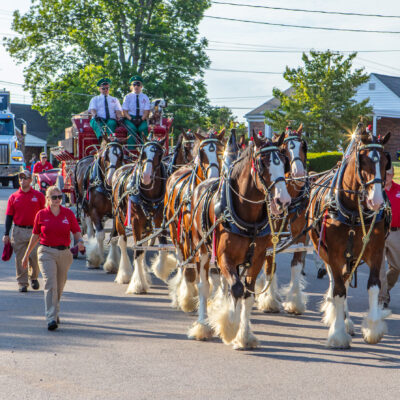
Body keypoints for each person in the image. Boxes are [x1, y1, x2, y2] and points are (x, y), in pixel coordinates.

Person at [22, 186, 85, 331]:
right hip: (46, 252)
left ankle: (55, 310)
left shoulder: (68, 213)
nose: (58, 200)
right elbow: (35, 236)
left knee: (59, 285)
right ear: (48, 199)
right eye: (54, 197)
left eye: (60, 197)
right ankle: (51, 317)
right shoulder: (41, 214)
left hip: (64, 253)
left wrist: (80, 241)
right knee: (50, 284)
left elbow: (76, 231)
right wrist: (26, 255)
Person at [2, 170, 45, 292]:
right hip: (19, 231)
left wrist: (44, 231)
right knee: (21, 257)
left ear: (31, 180)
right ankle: (22, 282)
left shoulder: (39, 196)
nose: (22, 181)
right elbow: (9, 216)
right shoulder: (14, 197)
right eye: (20, 178)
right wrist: (6, 234)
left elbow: (44, 215)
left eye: (25, 178)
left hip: (35, 232)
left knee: (35, 257)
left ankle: (34, 277)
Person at [379, 166, 400, 308]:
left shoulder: (399, 189)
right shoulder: (375, 190)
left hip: (395, 232)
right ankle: (382, 298)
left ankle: (384, 290)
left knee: (397, 266)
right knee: (379, 268)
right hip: (378, 233)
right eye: (384, 174)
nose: (387, 176)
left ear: (393, 175)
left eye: (389, 174)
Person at [89, 78, 123, 142]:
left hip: (110, 119)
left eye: (107, 88)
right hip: (98, 119)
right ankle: (102, 139)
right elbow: (92, 110)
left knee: (112, 123)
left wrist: (120, 117)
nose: (105, 90)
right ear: (99, 89)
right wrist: (95, 115)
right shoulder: (95, 99)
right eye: (103, 88)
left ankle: (111, 139)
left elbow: (118, 111)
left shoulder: (115, 99)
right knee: (98, 124)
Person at [122, 75, 150, 148]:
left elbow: (146, 111)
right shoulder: (127, 97)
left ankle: (144, 149)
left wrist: (141, 119)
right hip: (130, 118)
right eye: (134, 84)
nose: (136, 86)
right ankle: (131, 151)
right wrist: (131, 119)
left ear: (141, 86)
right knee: (132, 129)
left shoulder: (145, 97)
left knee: (143, 128)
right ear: (132, 86)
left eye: (138, 84)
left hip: (141, 118)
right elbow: (124, 111)